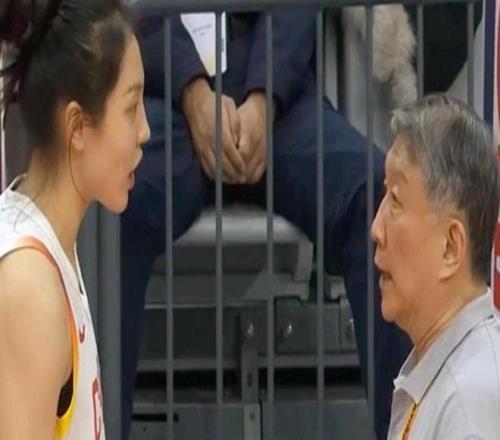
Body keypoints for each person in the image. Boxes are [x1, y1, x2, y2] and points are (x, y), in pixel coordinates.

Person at [122, 8, 411, 439]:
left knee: (376, 196)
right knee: (113, 198)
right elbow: (136, 10)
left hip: (279, 101)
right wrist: (192, 92)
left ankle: (407, 429)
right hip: (168, 102)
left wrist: (264, 96)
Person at [0, 0, 150, 438]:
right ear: (78, 126)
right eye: (131, 108)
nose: (145, 130)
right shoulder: (30, 287)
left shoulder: (48, 246)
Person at [371, 95, 500, 439]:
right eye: (385, 195)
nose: (376, 229)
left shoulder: (469, 402)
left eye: (395, 201)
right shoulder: (442, 372)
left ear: (450, 247)